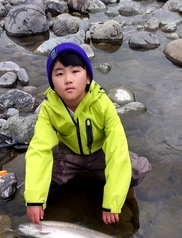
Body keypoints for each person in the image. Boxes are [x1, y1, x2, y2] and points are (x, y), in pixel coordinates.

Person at [24, 42, 151, 225]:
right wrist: (34, 199)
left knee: (135, 170)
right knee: (33, 186)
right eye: (59, 74)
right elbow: (39, 151)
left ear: (88, 78)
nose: (68, 79)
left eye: (75, 72)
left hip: (100, 153)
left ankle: (128, 200)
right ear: (52, 83)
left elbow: (117, 149)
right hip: (69, 154)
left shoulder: (103, 104)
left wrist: (112, 202)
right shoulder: (48, 109)